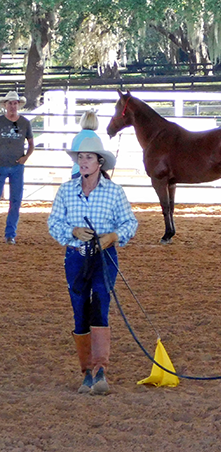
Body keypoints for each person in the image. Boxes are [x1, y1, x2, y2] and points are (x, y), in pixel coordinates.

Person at [48, 137, 138, 395]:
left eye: (89, 157)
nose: (83, 162)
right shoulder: (66, 191)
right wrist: (73, 231)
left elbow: (129, 223)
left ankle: (99, 370)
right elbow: (54, 224)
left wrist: (113, 237)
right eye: (81, 157)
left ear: (100, 162)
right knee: (79, 310)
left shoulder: (114, 191)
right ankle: (86, 371)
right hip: (76, 256)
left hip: (104, 258)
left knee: (100, 305)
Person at [0, 91, 34, 244]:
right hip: (3, 165)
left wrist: (25, 157)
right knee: (15, 200)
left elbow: (31, 143)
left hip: (16, 166)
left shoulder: (25, 123)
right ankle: (10, 234)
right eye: (10, 103)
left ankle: (10, 234)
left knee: (16, 200)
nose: (13, 106)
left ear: (18, 105)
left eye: (15, 103)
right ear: (5, 105)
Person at [70, 109, 102, 179]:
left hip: (77, 171)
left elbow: (73, 156)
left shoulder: (77, 137)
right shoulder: (97, 139)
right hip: (92, 171)